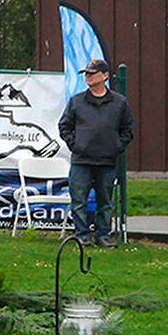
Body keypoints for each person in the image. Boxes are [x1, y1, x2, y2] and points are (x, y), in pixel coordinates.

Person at [58, 58, 134, 248]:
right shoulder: (77, 101)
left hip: (107, 161)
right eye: (87, 74)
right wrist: (76, 145)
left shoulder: (119, 103)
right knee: (79, 201)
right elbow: (64, 126)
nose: (89, 77)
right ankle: (82, 236)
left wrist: (116, 146)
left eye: (93, 73)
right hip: (81, 160)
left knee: (105, 202)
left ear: (105, 76)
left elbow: (128, 129)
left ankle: (103, 235)